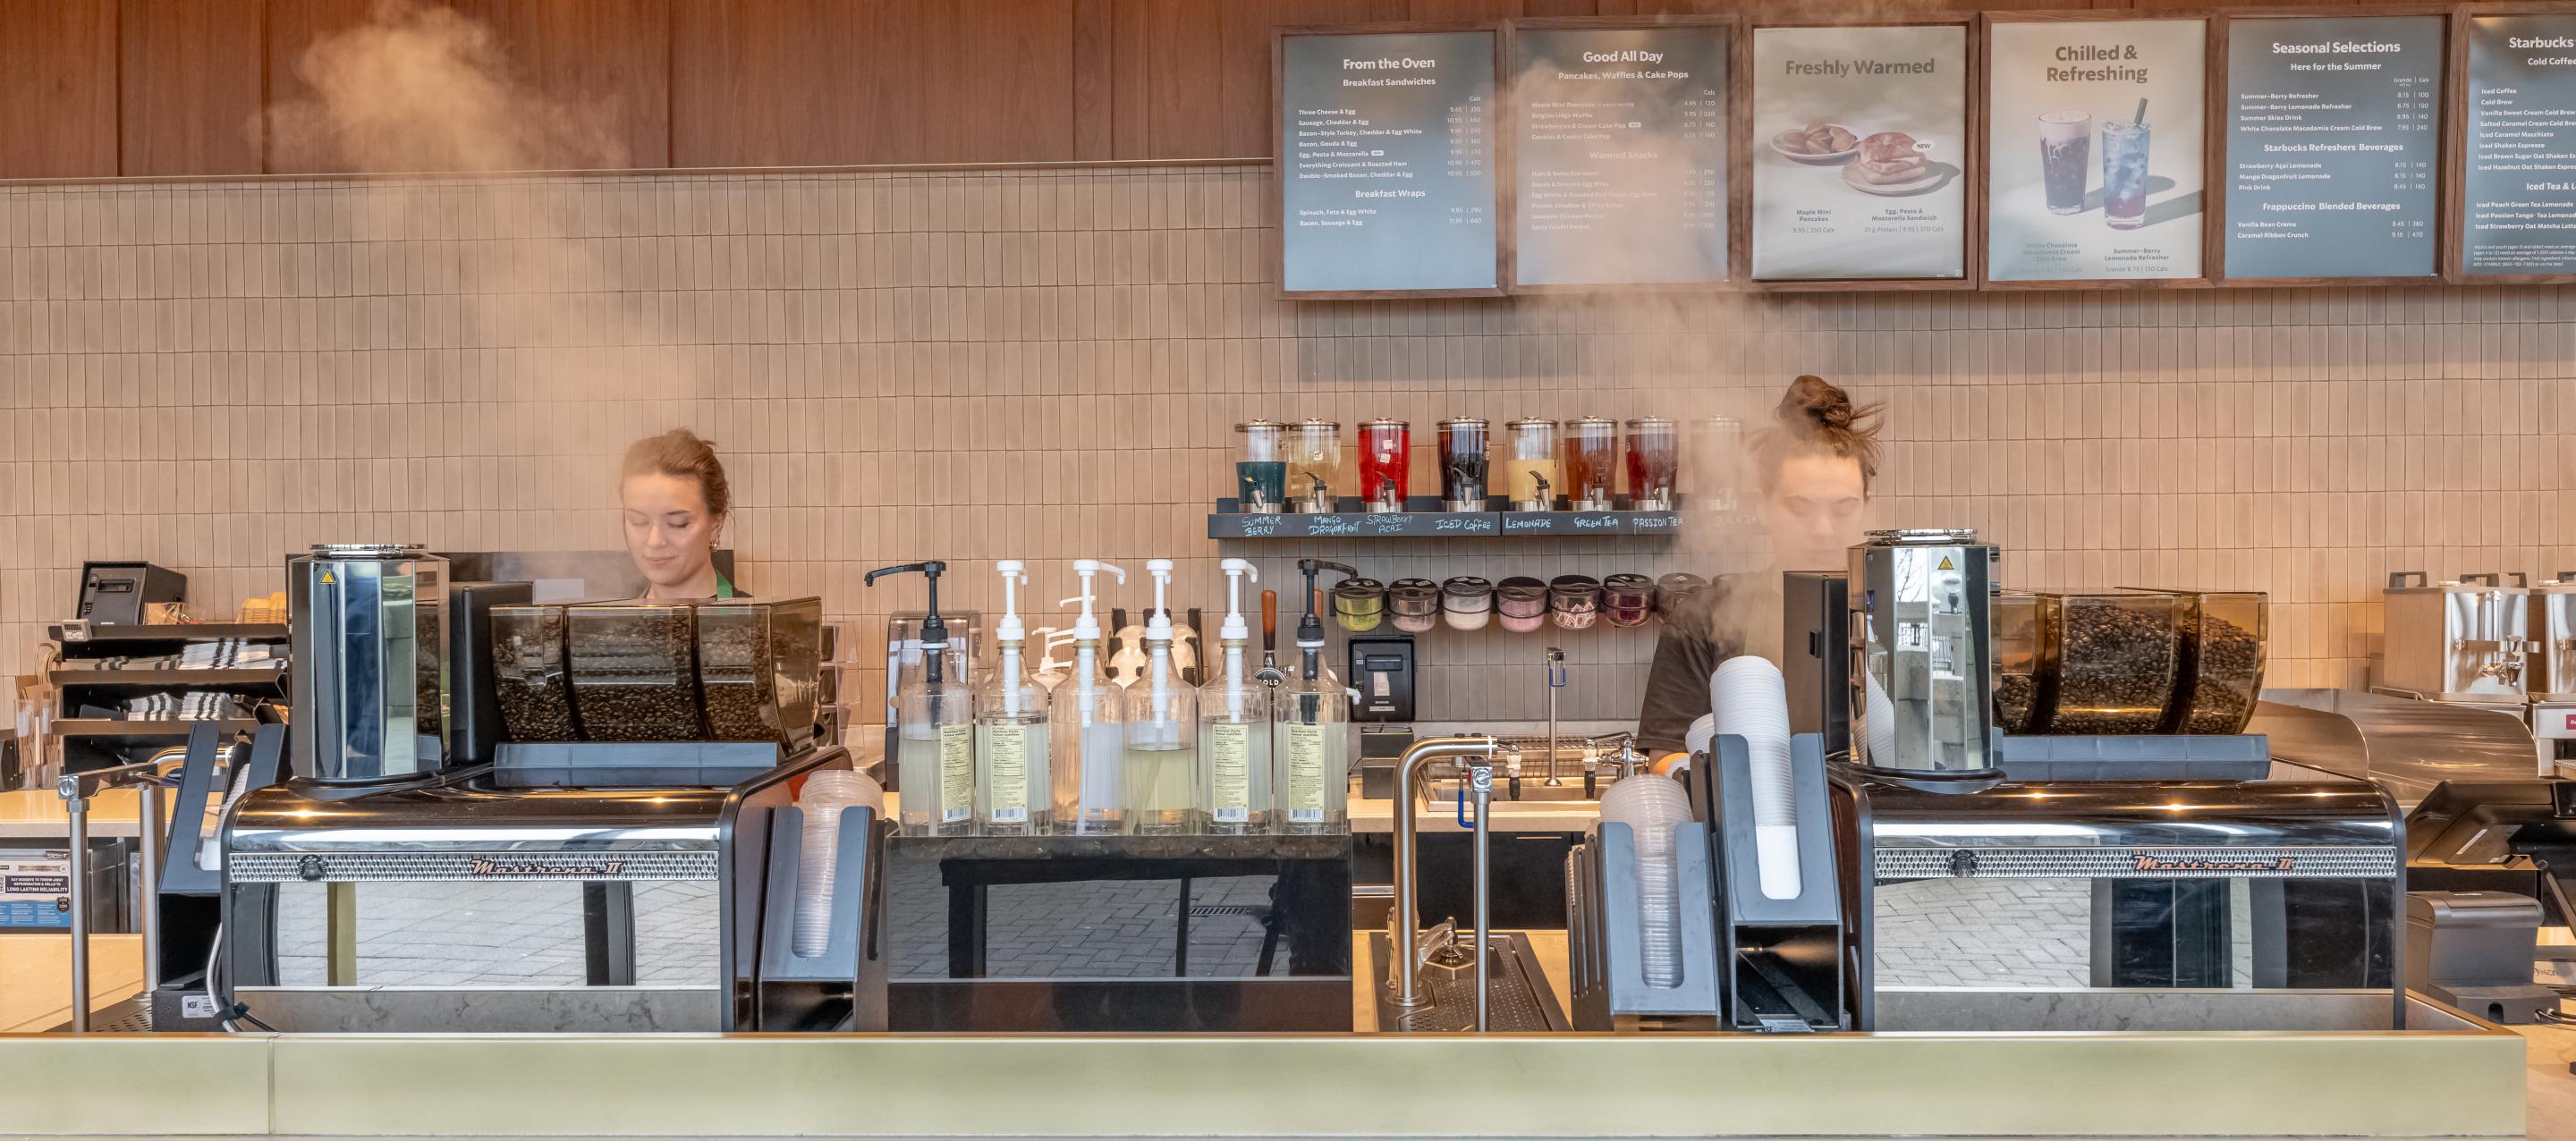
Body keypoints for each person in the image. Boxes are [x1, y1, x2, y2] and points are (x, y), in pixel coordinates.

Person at [1634, 376, 1881, 767]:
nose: (1823, 529)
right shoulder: (1701, 621)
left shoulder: (1897, 619)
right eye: (1800, 508)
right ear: (1763, 508)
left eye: (1843, 508)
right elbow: (1668, 760)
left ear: (1865, 505)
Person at [619, 427, 744, 600]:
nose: (655, 542)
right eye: (639, 521)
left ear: (715, 525)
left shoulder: (758, 616)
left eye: (678, 523)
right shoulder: (613, 615)